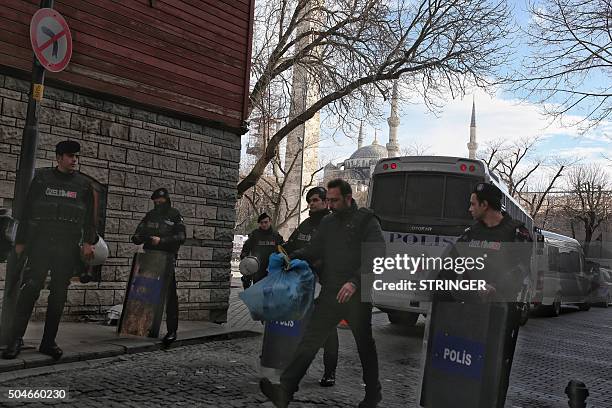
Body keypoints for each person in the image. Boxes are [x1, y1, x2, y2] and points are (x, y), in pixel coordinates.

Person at [260, 178, 384, 408]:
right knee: (310, 340)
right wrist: (290, 258)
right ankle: (285, 391)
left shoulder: (367, 221)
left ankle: (373, 395)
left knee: (364, 345)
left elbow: (376, 258)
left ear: (349, 198)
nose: (331, 204)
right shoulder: (328, 222)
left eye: (335, 200)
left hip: (356, 295)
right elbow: (313, 249)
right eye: (328, 200)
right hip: (331, 292)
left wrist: (355, 282)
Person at [435, 182, 532, 406]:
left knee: (495, 369)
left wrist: (496, 286)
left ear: (485, 205)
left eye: (472, 204)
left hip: (501, 311)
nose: (469, 209)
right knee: (468, 365)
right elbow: (451, 262)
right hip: (471, 311)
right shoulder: (471, 232)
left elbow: (521, 268)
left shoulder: (517, 231)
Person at [2, 140, 96, 360]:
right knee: (30, 289)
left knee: (59, 294)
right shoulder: (43, 179)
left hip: (66, 246)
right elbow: (26, 211)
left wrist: (88, 242)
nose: (74, 160)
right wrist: (21, 240)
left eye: (76, 156)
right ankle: (16, 340)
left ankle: (48, 342)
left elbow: (90, 219)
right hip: (41, 244)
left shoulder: (83, 185)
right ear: (59, 157)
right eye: (70, 156)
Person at [283, 186, 339, 387]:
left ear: (325, 202)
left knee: (327, 330)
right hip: (302, 283)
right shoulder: (306, 224)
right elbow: (292, 244)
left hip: (326, 284)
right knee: (297, 326)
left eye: (316, 200)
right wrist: (280, 250)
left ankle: (329, 372)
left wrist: (308, 258)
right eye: (310, 201)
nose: (312, 204)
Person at [131, 188, 186, 347]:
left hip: (166, 258)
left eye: (160, 201)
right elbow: (138, 232)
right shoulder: (150, 215)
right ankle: (141, 326)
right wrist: (138, 237)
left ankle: (172, 330)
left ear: (166, 200)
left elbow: (181, 237)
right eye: (155, 201)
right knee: (143, 293)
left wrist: (161, 240)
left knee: (170, 296)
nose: (158, 203)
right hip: (149, 257)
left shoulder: (175, 215)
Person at [239, 213, 284, 289]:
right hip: (258, 269)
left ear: (270, 222)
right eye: (261, 223)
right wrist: (244, 259)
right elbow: (246, 248)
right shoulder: (255, 235)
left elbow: (283, 249)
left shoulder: (276, 236)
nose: (264, 224)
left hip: (271, 269)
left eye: (266, 222)